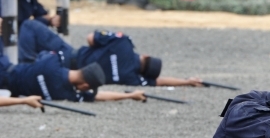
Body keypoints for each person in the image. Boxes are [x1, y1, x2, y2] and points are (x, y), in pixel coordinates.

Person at [0, 49, 144, 103]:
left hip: (6, 67)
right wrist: (128, 95)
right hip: (6, 89)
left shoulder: (53, 61)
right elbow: (99, 96)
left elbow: (41, 54)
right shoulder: (66, 95)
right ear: (85, 86)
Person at [75, 31, 204, 87]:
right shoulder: (132, 78)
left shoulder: (124, 42)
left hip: (72, 55)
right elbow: (160, 82)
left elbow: (90, 38)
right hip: (77, 76)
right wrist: (186, 81)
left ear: (146, 56)